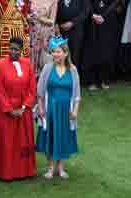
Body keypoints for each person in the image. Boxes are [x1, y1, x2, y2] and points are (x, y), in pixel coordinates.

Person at [0, 36, 39, 178]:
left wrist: (23, 107)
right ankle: (5, 172)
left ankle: (24, 171)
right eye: (10, 48)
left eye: (16, 50)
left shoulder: (27, 64)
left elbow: (31, 88)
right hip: (5, 112)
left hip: (23, 111)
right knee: (6, 143)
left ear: (21, 50)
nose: (12, 52)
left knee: (22, 142)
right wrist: (10, 109)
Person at [36, 38, 82, 176]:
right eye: (53, 52)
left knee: (63, 136)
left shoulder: (73, 70)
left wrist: (75, 111)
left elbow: (77, 94)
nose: (55, 55)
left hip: (65, 110)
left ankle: (60, 167)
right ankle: (50, 167)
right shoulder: (47, 68)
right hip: (51, 109)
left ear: (65, 53)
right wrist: (40, 108)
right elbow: (40, 92)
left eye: (58, 52)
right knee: (50, 136)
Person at [82, 0, 126, 88]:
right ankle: (92, 81)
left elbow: (117, 3)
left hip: (109, 21)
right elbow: (86, 3)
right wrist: (92, 15)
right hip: (91, 22)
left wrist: (104, 15)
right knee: (92, 51)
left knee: (106, 50)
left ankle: (104, 80)